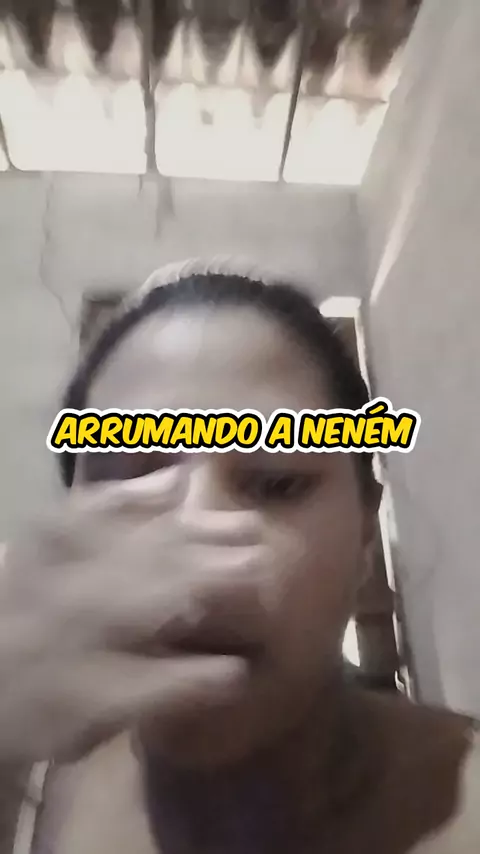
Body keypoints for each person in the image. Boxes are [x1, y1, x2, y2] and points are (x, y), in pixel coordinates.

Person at [0, 259, 478, 854]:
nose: (196, 540)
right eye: (128, 477)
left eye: (277, 482)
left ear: (364, 532)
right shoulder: (21, 787)